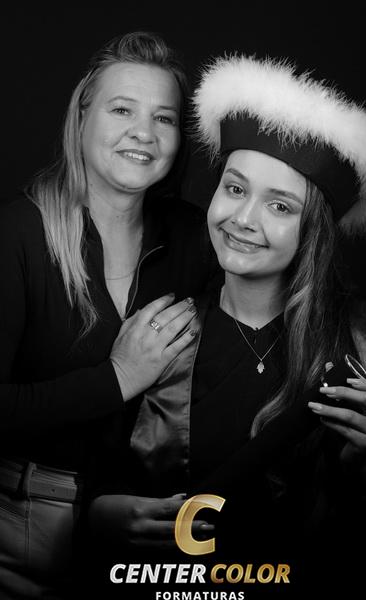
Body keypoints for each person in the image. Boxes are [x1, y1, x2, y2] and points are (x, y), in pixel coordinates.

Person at [87, 54, 366, 595]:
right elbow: (100, 482)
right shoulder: (161, 334)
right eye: (235, 189)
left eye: (280, 207)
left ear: (313, 232)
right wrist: (102, 515)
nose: (244, 219)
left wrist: (362, 462)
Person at [0, 31, 219, 599]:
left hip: (150, 533)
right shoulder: (17, 235)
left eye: (163, 118)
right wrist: (118, 377)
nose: (144, 133)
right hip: (24, 529)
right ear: (81, 118)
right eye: (122, 109)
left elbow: (275, 299)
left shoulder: (195, 236)